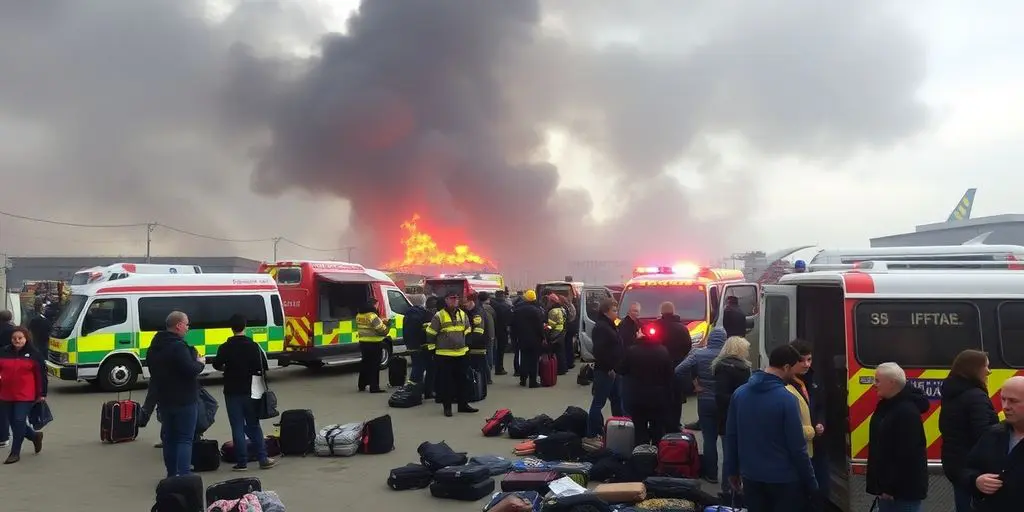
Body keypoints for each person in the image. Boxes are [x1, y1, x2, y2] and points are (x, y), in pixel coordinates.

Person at [723, 344, 817, 512]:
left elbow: (731, 436)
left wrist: (732, 471)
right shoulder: (787, 400)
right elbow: (797, 448)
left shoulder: (740, 394)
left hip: (751, 476)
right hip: (784, 480)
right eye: (793, 370)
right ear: (786, 367)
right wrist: (811, 482)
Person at [211, 314, 277, 471]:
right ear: (245, 326)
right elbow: (262, 368)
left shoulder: (225, 347)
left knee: (237, 427)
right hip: (251, 390)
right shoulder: (254, 346)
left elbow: (216, 364)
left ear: (231, 328)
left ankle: (242, 463)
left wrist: (227, 369)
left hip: (232, 391)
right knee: (254, 425)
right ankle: (263, 458)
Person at [939, 349, 999, 512]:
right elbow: (984, 435)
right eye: (985, 366)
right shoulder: (976, 396)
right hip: (975, 470)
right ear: (974, 369)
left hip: (957, 467)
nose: (989, 371)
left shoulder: (953, 394)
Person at [147, 311, 205, 477]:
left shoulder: (155, 347)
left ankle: (171, 475)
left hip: (164, 401)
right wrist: (200, 363)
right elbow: (190, 370)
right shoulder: (179, 347)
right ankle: (184, 476)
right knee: (185, 440)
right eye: (187, 324)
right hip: (185, 400)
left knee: (169, 440)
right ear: (179, 325)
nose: (188, 328)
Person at [866, 362, 929, 512]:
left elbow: (907, 456)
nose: (874, 385)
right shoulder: (888, 405)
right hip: (889, 492)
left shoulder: (906, 412)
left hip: (901, 494)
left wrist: (889, 487)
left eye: (878, 380)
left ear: (892, 383)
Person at [960, 376, 1024, 511]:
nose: (1006, 407)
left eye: (1013, 401)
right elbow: (968, 470)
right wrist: (976, 481)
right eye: (1003, 399)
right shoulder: (993, 434)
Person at [675, 326, 728, 483]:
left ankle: (711, 474)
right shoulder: (729, 356)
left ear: (710, 339)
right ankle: (728, 477)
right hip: (725, 402)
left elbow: (679, 370)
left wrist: (694, 386)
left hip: (705, 400)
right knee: (726, 439)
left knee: (709, 438)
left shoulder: (698, 354)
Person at [617, 317, 674, 446]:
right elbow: (670, 375)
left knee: (639, 430)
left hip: (637, 398)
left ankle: (641, 459)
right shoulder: (663, 351)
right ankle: (657, 457)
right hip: (658, 399)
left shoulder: (632, 351)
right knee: (658, 431)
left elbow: (621, 369)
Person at [425, 293, 478, 417]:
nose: (455, 301)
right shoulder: (439, 316)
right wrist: (432, 350)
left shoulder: (462, 314)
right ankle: (447, 408)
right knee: (446, 383)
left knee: (462, 381)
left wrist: (467, 342)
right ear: (446, 300)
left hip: (461, 353)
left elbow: (468, 328)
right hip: (444, 355)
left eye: (456, 298)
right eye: (452, 299)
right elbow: (430, 333)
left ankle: (463, 405)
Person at [0, 327, 46, 464]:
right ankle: (34, 436)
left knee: (19, 420)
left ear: (26, 339)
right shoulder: (3, 352)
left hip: (26, 394)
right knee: (13, 422)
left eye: (20, 338)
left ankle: (15, 452)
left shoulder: (34, 354)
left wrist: (42, 393)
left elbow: (41, 376)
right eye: (14, 338)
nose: (17, 341)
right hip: (5, 393)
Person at [790, 340, 828, 500]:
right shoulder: (786, 382)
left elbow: (820, 405)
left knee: (821, 488)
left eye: (809, 359)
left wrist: (821, 422)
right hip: (799, 445)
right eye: (802, 360)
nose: (806, 364)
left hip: (817, 444)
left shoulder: (814, 378)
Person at [587, 298, 625, 440]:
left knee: (617, 400)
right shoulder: (602, 327)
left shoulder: (610, 325)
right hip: (605, 371)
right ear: (605, 311)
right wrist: (609, 367)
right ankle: (593, 432)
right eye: (614, 310)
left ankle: (620, 428)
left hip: (614, 370)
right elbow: (600, 351)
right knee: (599, 402)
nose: (616, 313)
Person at [654, 301, 691, 432]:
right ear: (673, 312)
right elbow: (688, 347)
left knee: (661, 397)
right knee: (676, 397)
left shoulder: (655, 327)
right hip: (677, 366)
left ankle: (661, 425)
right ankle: (675, 425)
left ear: (661, 312)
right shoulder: (682, 328)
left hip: (658, 368)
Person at [712, 336, 752, 436]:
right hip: (739, 411)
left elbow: (720, 394)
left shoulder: (721, 365)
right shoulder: (743, 368)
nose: (747, 352)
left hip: (726, 413)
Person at [511, 290, 545, 388]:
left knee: (524, 359)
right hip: (535, 340)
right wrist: (543, 337)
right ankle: (532, 382)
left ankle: (523, 380)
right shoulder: (537, 310)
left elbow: (513, 325)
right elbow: (540, 327)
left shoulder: (517, 310)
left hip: (522, 339)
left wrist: (514, 338)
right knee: (534, 361)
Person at [355, 298, 389, 393]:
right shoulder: (372, 316)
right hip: (374, 343)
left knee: (365, 364)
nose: (377, 307)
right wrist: (387, 325)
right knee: (374, 365)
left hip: (363, 343)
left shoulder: (359, 315)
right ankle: (374, 387)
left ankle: (361, 385)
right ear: (373, 305)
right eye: (377, 305)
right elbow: (381, 330)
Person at [403, 294, 432, 386]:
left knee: (417, 366)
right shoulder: (423, 314)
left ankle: (415, 387)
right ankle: (413, 387)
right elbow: (426, 331)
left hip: (410, 344)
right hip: (420, 345)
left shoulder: (407, 314)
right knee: (420, 367)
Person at [463, 293, 489, 396]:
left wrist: (467, 342)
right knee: (477, 370)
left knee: (479, 370)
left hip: (477, 346)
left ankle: (480, 392)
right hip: (474, 345)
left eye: (466, 302)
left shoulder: (477, 313)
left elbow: (478, 331)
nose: (464, 305)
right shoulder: (471, 311)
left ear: (471, 302)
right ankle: (478, 391)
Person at [543, 292, 568, 375]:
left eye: (549, 301)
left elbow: (551, 325)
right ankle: (563, 368)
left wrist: (545, 327)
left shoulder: (553, 311)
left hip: (555, 333)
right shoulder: (562, 309)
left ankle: (558, 369)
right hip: (562, 331)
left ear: (552, 301)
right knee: (561, 351)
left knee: (556, 352)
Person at [490, 291, 513, 376]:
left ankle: (493, 365)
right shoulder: (505, 306)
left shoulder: (491, 305)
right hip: (502, 330)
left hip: (492, 329)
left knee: (492, 349)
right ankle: (499, 368)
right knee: (500, 350)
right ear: (503, 296)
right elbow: (510, 320)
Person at [423, 296, 440, 399]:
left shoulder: (424, 314)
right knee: (431, 370)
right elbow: (432, 333)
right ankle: (429, 391)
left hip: (424, 346)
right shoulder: (432, 316)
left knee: (427, 369)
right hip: (431, 347)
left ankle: (427, 390)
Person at [478, 291, 497, 384]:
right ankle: (488, 376)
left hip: (483, 335)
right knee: (489, 355)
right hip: (490, 334)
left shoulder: (479, 309)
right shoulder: (490, 309)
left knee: (485, 356)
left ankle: (486, 376)